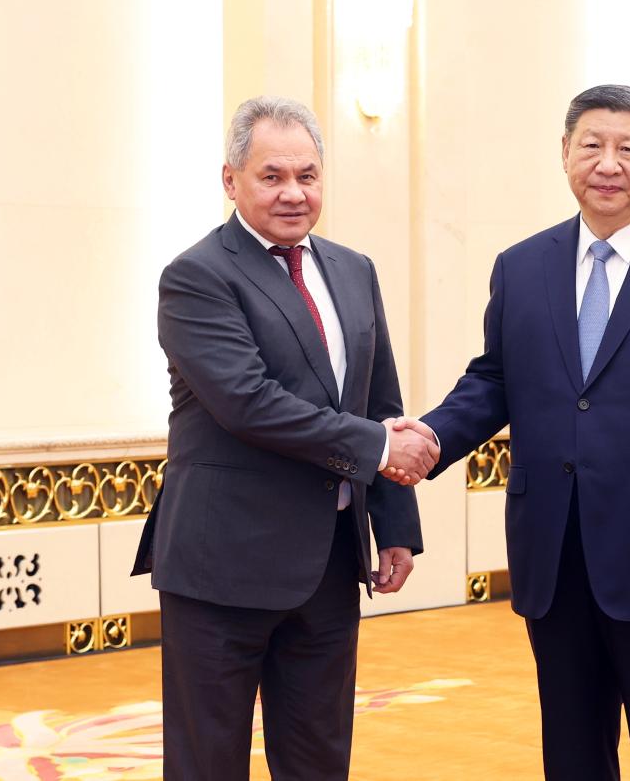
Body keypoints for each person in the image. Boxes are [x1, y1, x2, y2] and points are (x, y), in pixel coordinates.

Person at [389, 85, 630, 780]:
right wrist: (435, 438)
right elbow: (495, 379)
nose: (608, 163)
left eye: (628, 148)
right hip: (556, 553)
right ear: (565, 153)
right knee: (571, 752)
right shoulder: (523, 266)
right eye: (591, 145)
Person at [131, 95, 438, 781]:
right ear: (230, 180)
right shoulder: (197, 276)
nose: (294, 192)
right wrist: (382, 448)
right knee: (209, 763)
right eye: (272, 176)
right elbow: (248, 403)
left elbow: (379, 402)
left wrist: (394, 523)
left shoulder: (353, 270)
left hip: (328, 567)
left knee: (318, 760)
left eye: (308, 175)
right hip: (221, 568)